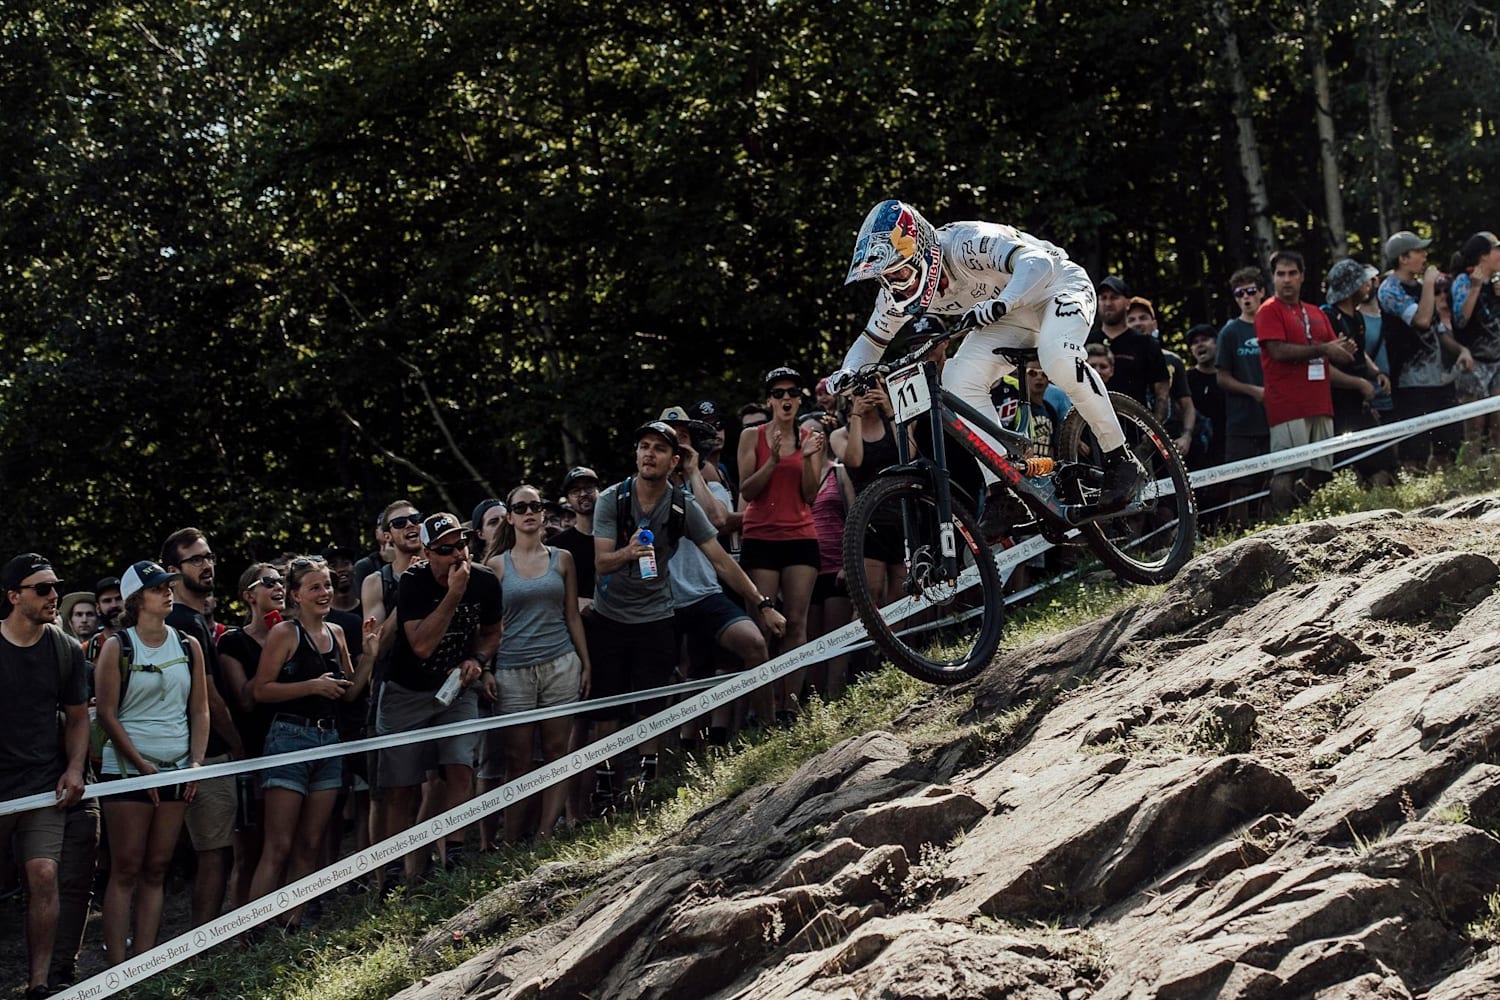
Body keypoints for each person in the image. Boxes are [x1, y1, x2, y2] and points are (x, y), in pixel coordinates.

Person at [834, 201, 1144, 538]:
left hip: (1056, 286)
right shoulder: (896, 294)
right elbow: (871, 340)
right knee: (954, 380)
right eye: (886, 278)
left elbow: (1036, 262)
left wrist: (1004, 301)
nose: (897, 286)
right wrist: (848, 371)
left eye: (900, 273)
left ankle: (1121, 458)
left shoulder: (966, 243)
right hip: (1010, 314)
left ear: (922, 252)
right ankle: (1004, 491)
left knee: (1058, 359)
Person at [592, 421, 786, 798]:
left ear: (674, 460)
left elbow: (722, 561)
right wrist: (628, 553)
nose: (649, 454)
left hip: (656, 613)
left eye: (659, 449)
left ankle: (649, 787)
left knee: (654, 702)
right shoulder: (612, 499)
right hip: (611, 615)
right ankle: (606, 785)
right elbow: (601, 562)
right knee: (607, 710)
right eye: (643, 446)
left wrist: (761, 605)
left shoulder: (682, 504)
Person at [247, 557, 376, 928]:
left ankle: (292, 924)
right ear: (296, 595)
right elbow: (261, 690)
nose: (325, 593)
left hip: (329, 741)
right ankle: (251, 932)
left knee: (311, 844)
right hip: (290, 738)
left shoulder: (336, 632)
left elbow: (349, 694)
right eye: (315, 587)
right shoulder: (285, 634)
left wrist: (368, 656)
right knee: (279, 844)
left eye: (327, 586)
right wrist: (312, 686)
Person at [94, 560, 209, 967]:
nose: (168, 591)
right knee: (125, 868)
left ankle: (144, 963)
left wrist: (196, 763)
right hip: (126, 771)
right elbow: (106, 713)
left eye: (168, 585)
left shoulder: (189, 644)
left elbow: (200, 710)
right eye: (158, 586)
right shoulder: (116, 645)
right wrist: (142, 767)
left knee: (158, 867)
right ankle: (116, 969)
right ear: (136, 599)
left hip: (178, 769)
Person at [378, 513, 500, 883]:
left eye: (461, 544)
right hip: (405, 694)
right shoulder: (413, 583)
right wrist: (454, 594)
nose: (457, 555)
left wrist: (477, 659)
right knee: (402, 788)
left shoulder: (484, 579)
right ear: (427, 554)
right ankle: (394, 871)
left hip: (453, 690)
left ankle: (455, 854)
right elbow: (422, 645)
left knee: (460, 765)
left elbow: (493, 632)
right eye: (445, 549)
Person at [0, 555, 89, 999]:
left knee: (43, 873)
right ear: (14, 597)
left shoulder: (65, 648)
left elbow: (77, 719)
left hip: (41, 782)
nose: (54, 595)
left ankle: (38, 983)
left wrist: (74, 768)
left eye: (55, 586)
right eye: (42, 588)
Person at [482, 486, 590, 842]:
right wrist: (484, 668)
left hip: (560, 662)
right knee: (519, 760)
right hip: (512, 670)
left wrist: (585, 662)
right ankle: (513, 838)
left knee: (558, 752)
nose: (529, 512)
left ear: (544, 513)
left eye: (536, 506)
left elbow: (572, 614)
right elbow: (485, 627)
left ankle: (545, 833)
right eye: (521, 507)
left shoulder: (562, 559)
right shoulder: (495, 567)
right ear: (510, 517)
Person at [160, 527, 242, 927]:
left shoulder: (188, 618)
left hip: (188, 755)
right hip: (202, 755)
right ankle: (201, 946)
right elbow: (208, 697)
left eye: (208, 556)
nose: (207, 564)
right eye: (196, 559)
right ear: (172, 570)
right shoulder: (184, 622)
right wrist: (239, 746)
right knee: (215, 851)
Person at [737, 368, 824, 720]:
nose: (785, 398)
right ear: (769, 400)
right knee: (762, 628)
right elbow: (746, 491)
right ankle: (764, 710)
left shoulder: (810, 437)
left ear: (800, 399)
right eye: (778, 392)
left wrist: (804, 459)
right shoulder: (750, 436)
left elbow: (810, 495)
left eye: (792, 392)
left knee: (796, 623)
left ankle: (789, 704)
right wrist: (773, 460)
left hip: (800, 535)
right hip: (761, 536)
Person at [1255, 249, 1356, 512]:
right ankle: (1280, 522)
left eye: (1292, 273)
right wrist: (1324, 349)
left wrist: (1346, 352)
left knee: (1322, 470)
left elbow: (1337, 350)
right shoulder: (1268, 310)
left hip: (1320, 402)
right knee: (1288, 468)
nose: (1286, 280)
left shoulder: (1315, 312)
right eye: (1280, 274)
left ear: (1302, 277)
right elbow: (1278, 351)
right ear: (1273, 278)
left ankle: (1300, 512)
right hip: (1287, 405)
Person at [215, 564, 285, 909]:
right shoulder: (232, 641)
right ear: (248, 595)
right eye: (269, 582)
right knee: (249, 849)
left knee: (283, 841)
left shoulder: (293, 632)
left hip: (290, 748)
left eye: (282, 581)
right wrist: (273, 648)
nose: (279, 587)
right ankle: (242, 929)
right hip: (251, 752)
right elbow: (244, 697)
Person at [1378, 231, 1473, 468]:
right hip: (1411, 384)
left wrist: (1461, 350)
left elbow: (1438, 330)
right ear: (1403, 258)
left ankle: (1444, 494)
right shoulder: (1389, 289)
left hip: (1440, 380)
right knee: (1414, 452)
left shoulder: (1422, 287)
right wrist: (1429, 284)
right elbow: (1421, 319)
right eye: (1419, 251)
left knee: (1450, 444)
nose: (1425, 255)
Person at [1321, 258, 1396, 486]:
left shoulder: (1358, 316)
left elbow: (1360, 352)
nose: (1368, 286)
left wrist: (1375, 373)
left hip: (1361, 405)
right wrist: (1359, 384)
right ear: (1350, 288)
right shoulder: (1328, 317)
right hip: (1339, 409)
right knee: (1347, 473)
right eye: (1362, 283)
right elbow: (1324, 368)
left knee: (1384, 467)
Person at [1451, 231, 1500, 452]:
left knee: (1498, 425)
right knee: (1475, 429)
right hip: (1474, 364)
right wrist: (1476, 288)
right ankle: (1471, 478)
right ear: (1483, 256)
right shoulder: (1464, 280)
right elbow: (1461, 320)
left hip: (1497, 362)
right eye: (1496, 250)